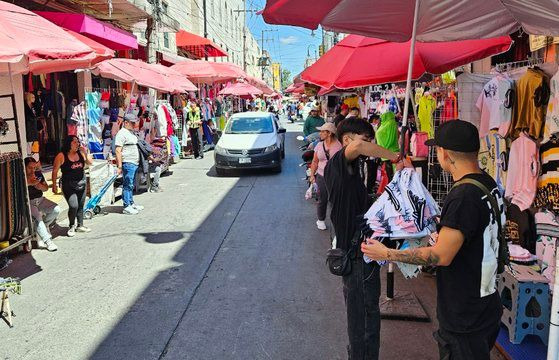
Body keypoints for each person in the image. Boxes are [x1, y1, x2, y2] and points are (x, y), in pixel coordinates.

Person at [361, 120, 504, 360]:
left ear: (445, 153)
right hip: (486, 303)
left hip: (464, 313)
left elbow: (440, 256)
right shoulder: (486, 183)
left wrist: (386, 254)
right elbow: (470, 231)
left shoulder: (463, 197)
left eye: (436, 150)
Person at [324, 117, 400, 360]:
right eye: (367, 140)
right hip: (355, 257)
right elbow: (357, 148)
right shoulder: (338, 162)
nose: (368, 147)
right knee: (364, 320)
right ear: (347, 140)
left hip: (361, 255)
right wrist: (395, 157)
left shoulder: (352, 170)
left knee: (364, 317)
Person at [52, 136, 93, 236]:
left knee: (80, 205)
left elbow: (90, 163)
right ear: (68, 144)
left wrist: (85, 153)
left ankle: (80, 225)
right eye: (74, 142)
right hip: (68, 184)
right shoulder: (61, 156)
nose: (77, 144)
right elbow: (55, 171)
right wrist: (54, 185)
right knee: (73, 205)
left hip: (81, 182)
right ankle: (71, 226)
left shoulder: (81, 153)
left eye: (78, 142)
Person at [310, 123, 342, 231]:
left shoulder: (339, 146)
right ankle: (321, 219)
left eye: (322, 131)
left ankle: (336, 220)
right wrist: (312, 176)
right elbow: (315, 161)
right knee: (322, 199)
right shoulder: (319, 145)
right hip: (321, 176)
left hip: (335, 177)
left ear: (329, 133)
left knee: (335, 200)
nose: (320, 133)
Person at [25, 158, 59, 251]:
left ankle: (44, 225)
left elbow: (46, 188)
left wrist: (39, 186)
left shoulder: (38, 174)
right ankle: (48, 242)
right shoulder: (21, 176)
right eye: (30, 168)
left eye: (34, 168)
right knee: (38, 218)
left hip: (40, 200)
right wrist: (28, 183)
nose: (32, 170)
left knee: (56, 209)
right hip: (28, 201)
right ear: (24, 167)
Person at [115, 113, 144, 215]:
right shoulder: (121, 133)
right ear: (126, 123)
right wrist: (119, 165)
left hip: (134, 162)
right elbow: (118, 150)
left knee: (131, 184)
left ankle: (131, 203)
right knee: (128, 184)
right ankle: (126, 205)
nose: (134, 125)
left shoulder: (130, 132)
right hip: (128, 162)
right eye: (132, 123)